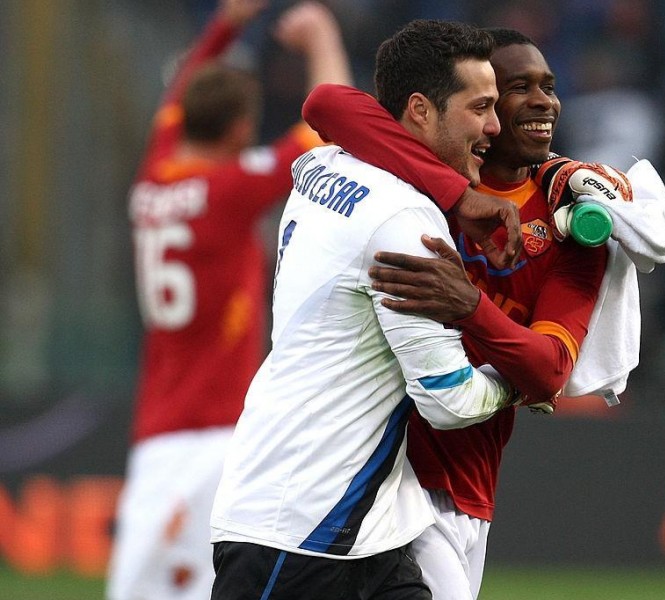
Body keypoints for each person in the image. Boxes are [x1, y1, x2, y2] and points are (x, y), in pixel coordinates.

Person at [208, 20, 528, 600]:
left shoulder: (325, 165)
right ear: (420, 111)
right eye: (479, 106)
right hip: (302, 530)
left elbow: (335, 108)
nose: (495, 126)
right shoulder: (405, 223)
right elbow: (450, 398)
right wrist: (518, 374)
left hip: (365, 530)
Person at [302, 28, 610, 599]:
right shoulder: (412, 182)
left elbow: (549, 371)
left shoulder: (574, 232)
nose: (540, 102)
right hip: (392, 477)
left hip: (474, 486)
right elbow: (324, 103)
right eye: (507, 92)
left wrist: (469, 307)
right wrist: (457, 195)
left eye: (547, 86)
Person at [107, 2, 354, 599]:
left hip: (157, 431)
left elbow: (182, 89)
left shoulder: (154, 175)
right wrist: (322, 35)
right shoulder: (229, 189)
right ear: (241, 129)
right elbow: (335, 124)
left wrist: (226, 22)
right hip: (221, 430)